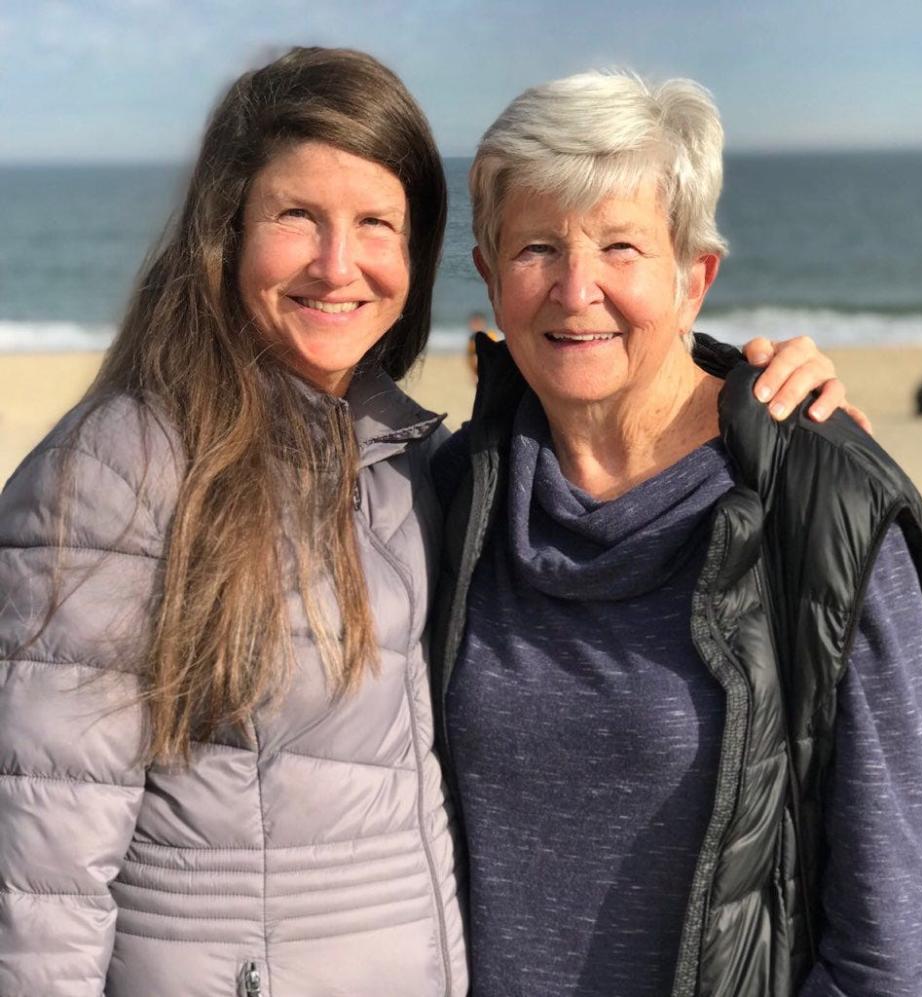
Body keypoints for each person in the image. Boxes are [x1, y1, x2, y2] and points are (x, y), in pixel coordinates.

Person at [0, 46, 859, 997]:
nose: (339, 265)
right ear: (227, 230)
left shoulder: (420, 469)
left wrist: (762, 395)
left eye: (377, 223)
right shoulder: (118, 471)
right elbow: (39, 875)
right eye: (297, 218)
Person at [432, 70, 922, 997]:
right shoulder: (447, 501)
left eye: (621, 247)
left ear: (693, 277)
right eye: (537, 247)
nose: (576, 287)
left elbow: (890, 951)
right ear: (488, 277)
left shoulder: (825, 510)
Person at [466, 310, 497, 379]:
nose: (476, 326)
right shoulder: (471, 339)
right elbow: (469, 356)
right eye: (474, 324)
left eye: (478, 324)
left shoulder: (490, 336)